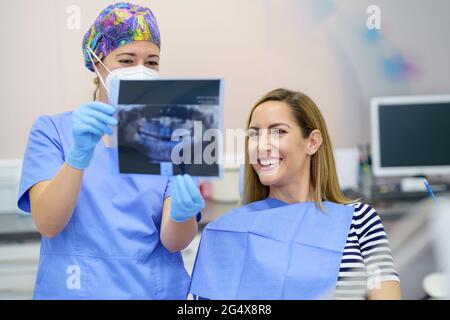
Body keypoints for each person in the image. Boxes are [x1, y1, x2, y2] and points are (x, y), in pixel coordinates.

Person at [17, 2, 204, 299]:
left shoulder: (177, 135)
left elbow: (174, 241)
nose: (141, 71)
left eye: (152, 62)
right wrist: (78, 157)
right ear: (97, 62)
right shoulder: (52, 131)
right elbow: (48, 223)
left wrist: (182, 214)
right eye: (127, 60)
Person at [190, 88, 402, 300]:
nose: (262, 145)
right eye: (254, 134)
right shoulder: (228, 232)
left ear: (312, 142)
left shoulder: (360, 220)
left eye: (279, 132)